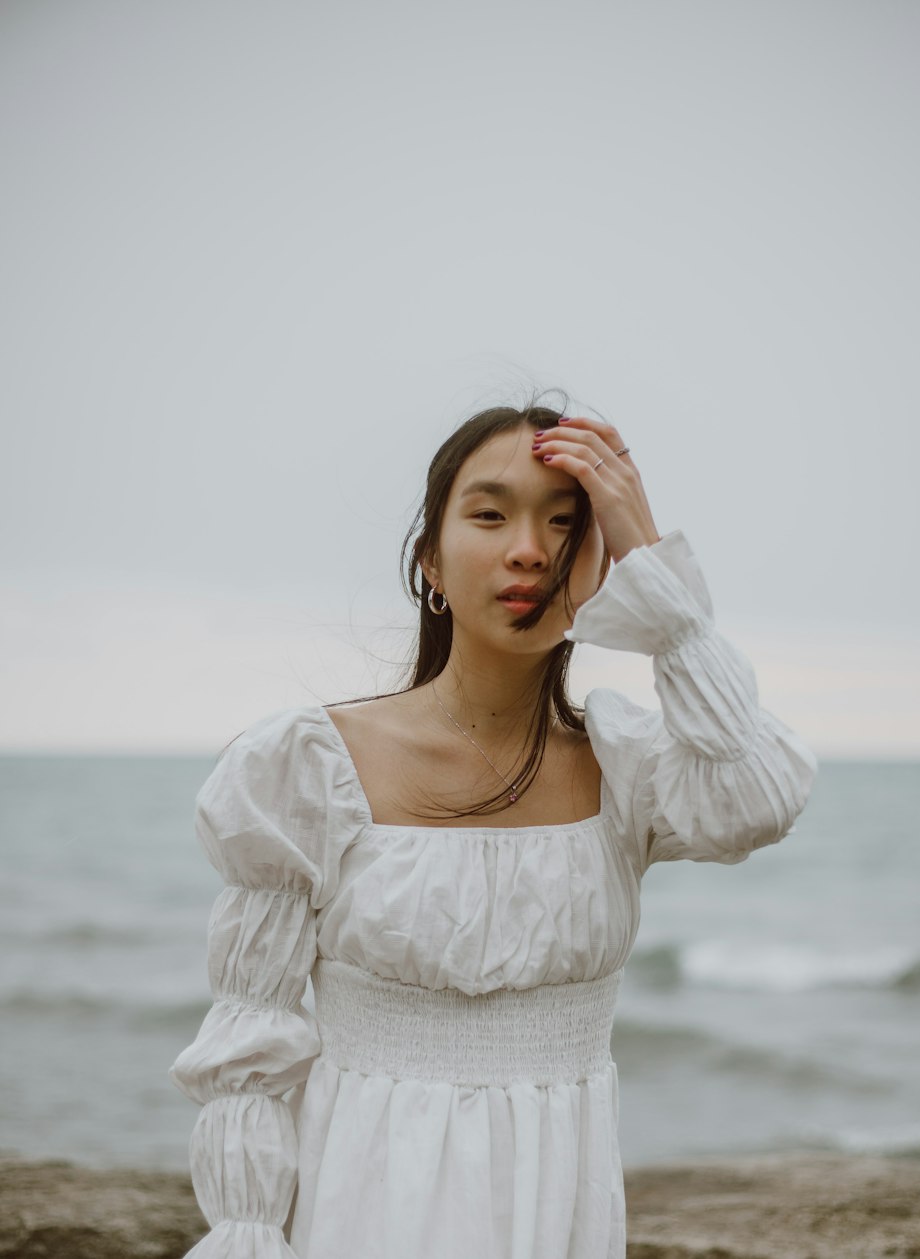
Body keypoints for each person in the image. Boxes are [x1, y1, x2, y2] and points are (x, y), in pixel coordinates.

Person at [169, 401, 818, 1258]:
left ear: (598, 567)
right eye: (490, 513)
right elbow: (248, 1056)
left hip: (559, 1214)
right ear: (431, 559)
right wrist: (249, 1236)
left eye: (567, 522)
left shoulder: (624, 766)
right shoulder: (310, 766)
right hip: (363, 1208)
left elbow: (759, 794)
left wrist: (654, 569)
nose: (530, 549)